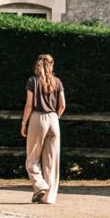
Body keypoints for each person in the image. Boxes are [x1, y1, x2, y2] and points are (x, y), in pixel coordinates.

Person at [20, 53, 65, 204]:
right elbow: (63, 105)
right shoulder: (57, 82)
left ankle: (39, 185)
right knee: (51, 162)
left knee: (32, 158)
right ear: (51, 65)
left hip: (38, 118)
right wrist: (55, 118)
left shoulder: (33, 81)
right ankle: (48, 198)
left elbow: (29, 105)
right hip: (54, 119)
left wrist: (24, 123)